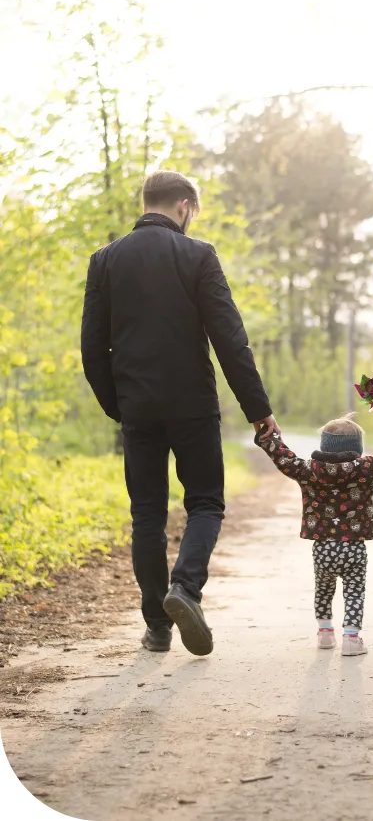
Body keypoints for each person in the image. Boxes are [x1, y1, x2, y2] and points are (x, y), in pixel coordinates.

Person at [81, 170, 278, 656]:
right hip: (192, 405)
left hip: (138, 408)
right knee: (206, 503)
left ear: (146, 202)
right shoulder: (198, 255)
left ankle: (156, 627)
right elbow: (231, 341)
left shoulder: (104, 261)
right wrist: (259, 411)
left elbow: (91, 349)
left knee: (146, 512)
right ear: (185, 207)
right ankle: (185, 588)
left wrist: (119, 405)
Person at [255, 415, 373, 655]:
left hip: (323, 548)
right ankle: (352, 639)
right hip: (354, 548)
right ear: (357, 447)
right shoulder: (366, 469)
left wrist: (268, 435)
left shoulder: (308, 470)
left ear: (325, 445)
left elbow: (284, 459)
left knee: (323, 589)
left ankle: (325, 634)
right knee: (354, 591)